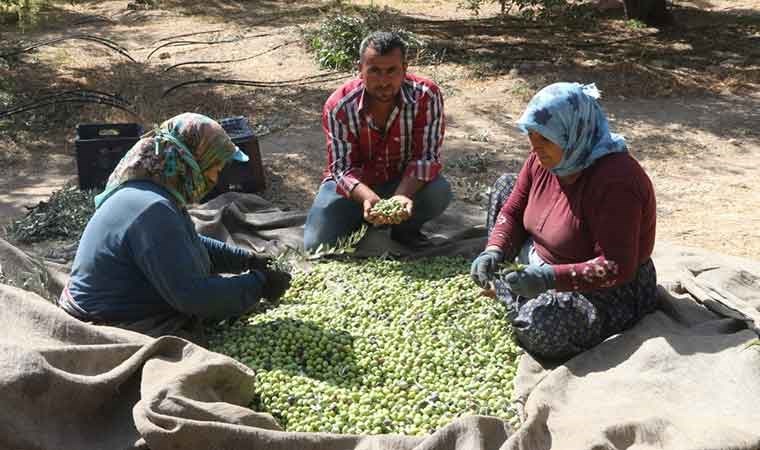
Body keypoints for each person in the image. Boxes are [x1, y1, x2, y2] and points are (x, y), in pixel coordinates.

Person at [58, 112, 291, 342]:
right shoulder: (154, 210)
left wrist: (247, 260)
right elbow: (192, 297)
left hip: (110, 306)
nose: (215, 178)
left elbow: (188, 242)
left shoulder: (150, 192)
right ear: (194, 161)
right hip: (106, 322)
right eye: (215, 167)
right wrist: (259, 285)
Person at [470, 82, 658, 361]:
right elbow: (511, 212)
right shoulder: (543, 160)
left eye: (545, 139)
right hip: (544, 262)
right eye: (531, 136)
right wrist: (494, 249)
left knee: (541, 328)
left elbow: (616, 267)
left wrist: (549, 279)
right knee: (505, 185)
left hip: (606, 288)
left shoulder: (616, 181)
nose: (536, 147)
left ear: (572, 133)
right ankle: (515, 286)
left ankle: (515, 292)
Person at [304, 31, 452, 251]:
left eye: (392, 71)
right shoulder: (339, 106)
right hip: (355, 188)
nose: (383, 81)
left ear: (405, 68)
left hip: (401, 181)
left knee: (439, 191)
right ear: (360, 69)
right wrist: (368, 198)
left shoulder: (426, 95)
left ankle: (405, 230)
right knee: (316, 245)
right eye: (374, 71)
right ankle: (362, 220)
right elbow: (342, 169)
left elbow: (426, 157)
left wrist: (401, 197)